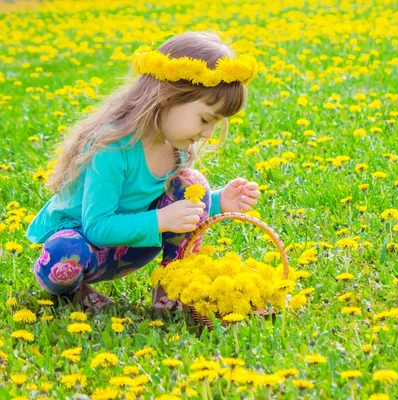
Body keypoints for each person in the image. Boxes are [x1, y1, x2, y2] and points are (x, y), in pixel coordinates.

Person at [25, 31, 261, 313]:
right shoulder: (112, 149)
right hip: (83, 250)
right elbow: (97, 228)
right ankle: (76, 292)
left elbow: (175, 208)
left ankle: (171, 287)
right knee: (63, 253)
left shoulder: (177, 148)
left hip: (130, 247)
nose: (208, 133)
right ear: (167, 97)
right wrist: (161, 219)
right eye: (204, 119)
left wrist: (220, 201)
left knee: (191, 184)